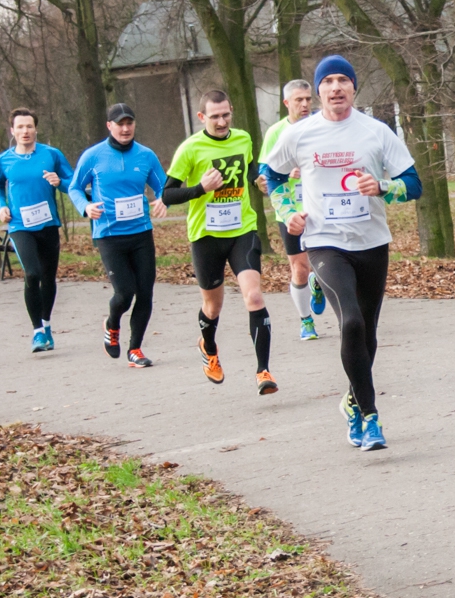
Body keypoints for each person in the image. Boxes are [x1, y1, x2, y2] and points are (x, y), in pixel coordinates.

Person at [261, 55, 421, 451]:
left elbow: (413, 183)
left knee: (367, 336)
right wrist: (287, 213)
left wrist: (383, 187)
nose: (335, 87)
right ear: (317, 91)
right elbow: (270, 176)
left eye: (342, 80)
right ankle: (370, 418)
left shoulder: (376, 131)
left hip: (371, 242)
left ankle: (352, 399)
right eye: (328, 81)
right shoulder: (300, 134)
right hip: (324, 241)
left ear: (353, 88)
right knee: (350, 322)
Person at [164, 90, 277, 394]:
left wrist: (258, 178)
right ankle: (208, 346)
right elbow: (168, 194)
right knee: (212, 308)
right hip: (206, 237)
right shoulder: (190, 149)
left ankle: (263, 371)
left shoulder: (242, 138)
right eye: (214, 116)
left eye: (226, 114)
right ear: (202, 118)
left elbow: (250, 165)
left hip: (242, 230)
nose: (221, 121)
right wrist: (200, 188)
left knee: (254, 298)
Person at [69, 104, 168, 367]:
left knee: (145, 293)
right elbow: (74, 188)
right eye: (119, 124)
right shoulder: (93, 156)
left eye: (129, 123)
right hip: (109, 235)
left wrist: (163, 200)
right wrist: (85, 206)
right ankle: (112, 323)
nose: (125, 129)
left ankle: (135, 349)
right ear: (109, 126)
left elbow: (164, 185)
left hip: (141, 234)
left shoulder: (146, 156)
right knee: (125, 293)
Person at [0, 107, 75, 352]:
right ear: (12, 131)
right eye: (20, 127)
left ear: (36, 129)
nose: (25, 131)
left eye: (29, 126)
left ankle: (47, 325)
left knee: (48, 277)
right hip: (19, 225)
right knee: (32, 273)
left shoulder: (51, 155)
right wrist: (1, 206)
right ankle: (37, 332)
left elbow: (72, 183)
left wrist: (60, 183)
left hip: (48, 224)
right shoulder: (4, 160)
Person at [257, 78, 326, 340]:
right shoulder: (276, 132)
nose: (305, 104)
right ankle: (306, 321)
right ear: (287, 103)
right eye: (299, 100)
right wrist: (285, 174)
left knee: (322, 265)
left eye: (308, 99)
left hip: (320, 207)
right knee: (299, 268)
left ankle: (317, 283)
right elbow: (264, 176)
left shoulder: (323, 126)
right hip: (290, 212)